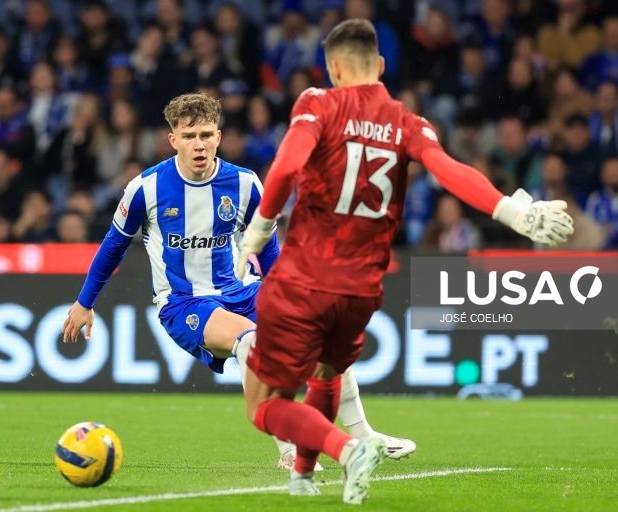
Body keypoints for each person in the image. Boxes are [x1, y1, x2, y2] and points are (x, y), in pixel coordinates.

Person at [235, 19, 574, 504]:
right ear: (380, 66)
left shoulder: (317, 104)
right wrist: (515, 211)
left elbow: (288, 165)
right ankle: (303, 478)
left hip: (305, 276)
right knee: (328, 375)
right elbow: (450, 171)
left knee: (265, 405)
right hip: (362, 287)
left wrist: (262, 226)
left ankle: (347, 449)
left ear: (332, 68)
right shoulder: (408, 122)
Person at [61, 92, 413, 470]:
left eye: (207, 135)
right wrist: (85, 302)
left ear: (219, 136)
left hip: (242, 291)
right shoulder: (146, 189)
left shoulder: (245, 185)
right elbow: (113, 246)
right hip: (184, 302)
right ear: (173, 140)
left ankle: (365, 437)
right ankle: (290, 453)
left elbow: (266, 248)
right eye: (190, 135)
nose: (199, 144)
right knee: (253, 342)